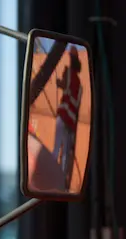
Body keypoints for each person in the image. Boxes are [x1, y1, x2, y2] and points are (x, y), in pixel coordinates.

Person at [54, 45, 84, 189]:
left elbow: (62, 84)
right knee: (65, 153)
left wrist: (58, 82)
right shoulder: (80, 85)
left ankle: (54, 178)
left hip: (63, 117)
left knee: (56, 149)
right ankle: (61, 182)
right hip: (71, 122)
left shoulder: (68, 73)